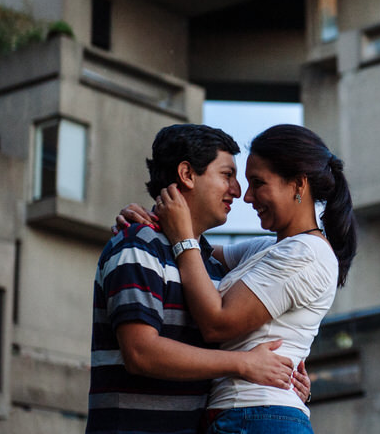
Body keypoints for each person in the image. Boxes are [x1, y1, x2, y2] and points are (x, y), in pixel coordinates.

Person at [87, 124, 309, 434]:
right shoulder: (137, 245)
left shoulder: (210, 266)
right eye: (226, 176)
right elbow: (139, 353)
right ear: (187, 174)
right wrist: (243, 364)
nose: (236, 191)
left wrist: (290, 374)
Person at [151, 124, 358, 434]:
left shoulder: (305, 254)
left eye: (258, 183)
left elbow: (217, 322)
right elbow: (202, 253)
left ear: (298, 185)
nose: (246, 197)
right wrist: (153, 221)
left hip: (256, 416)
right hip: (249, 417)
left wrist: (182, 238)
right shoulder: (273, 248)